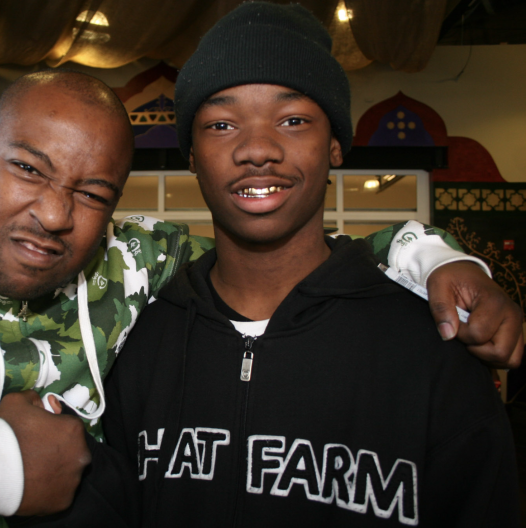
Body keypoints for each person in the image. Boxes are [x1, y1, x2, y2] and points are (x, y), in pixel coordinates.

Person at [0, 67, 520, 528]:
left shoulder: (127, 265)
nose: (53, 214)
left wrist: (428, 253)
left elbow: (280, 250)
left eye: (92, 190)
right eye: (28, 169)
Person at [98, 3, 520, 527]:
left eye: (293, 120)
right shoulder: (133, 339)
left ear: (336, 145)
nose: (257, 149)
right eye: (222, 124)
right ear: (191, 155)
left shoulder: (433, 346)